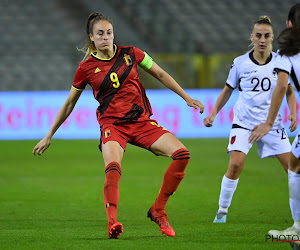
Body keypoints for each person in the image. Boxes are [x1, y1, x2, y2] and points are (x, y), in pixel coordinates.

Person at [32, 12, 204, 239]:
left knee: (182, 155)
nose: (106, 37)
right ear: (91, 38)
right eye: (100, 34)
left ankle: (158, 210)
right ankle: (112, 224)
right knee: (113, 168)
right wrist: (49, 135)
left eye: (109, 32)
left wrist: (186, 98)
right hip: (113, 125)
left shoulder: (132, 54)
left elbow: (160, 73)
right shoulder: (86, 68)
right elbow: (69, 104)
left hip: (141, 122)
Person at [203, 16, 297, 224]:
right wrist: (213, 113)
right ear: (251, 37)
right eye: (258, 35)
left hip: (272, 125)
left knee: (292, 169)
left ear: (272, 37)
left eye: (266, 35)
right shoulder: (240, 63)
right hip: (244, 123)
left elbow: (289, 91)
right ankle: (222, 210)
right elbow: (228, 90)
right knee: (235, 165)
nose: (262, 40)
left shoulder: (282, 61)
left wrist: (293, 112)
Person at [249, 4, 300, 245]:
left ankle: (298, 228)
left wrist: (269, 122)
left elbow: (282, 86)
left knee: (295, 168)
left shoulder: (287, 53)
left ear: (289, 24)